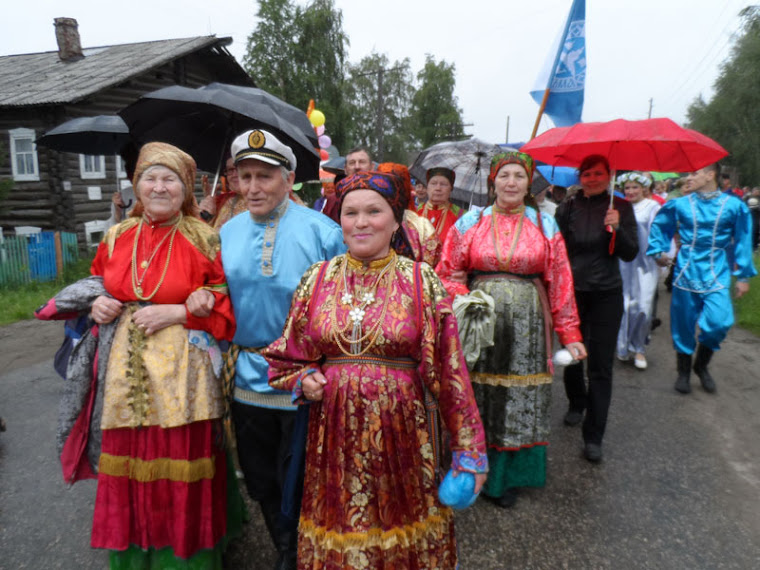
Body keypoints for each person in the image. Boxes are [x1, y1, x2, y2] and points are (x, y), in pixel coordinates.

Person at [264, 170, 487, 569]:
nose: (361, 222)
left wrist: (469, 451)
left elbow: (451, 373)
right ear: (340, 220)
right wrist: (303, 379)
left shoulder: (421, 281)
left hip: (403, 439)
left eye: (374, 211)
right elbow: (286, 356)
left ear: (397, 219)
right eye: (350, 213)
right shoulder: (317, 280)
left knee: (399, 537)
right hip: (332, 441)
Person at [83, 142, 238, 566]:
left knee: (180, 464)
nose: (158, 186)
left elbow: (226, 311)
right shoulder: (116, 236)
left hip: (181, 378)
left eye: (169, 178)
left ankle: (185, 561)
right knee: (130, 463)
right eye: (149, 177)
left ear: (186, 189)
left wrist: (180, 311)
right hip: (124, 374)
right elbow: (93, 286)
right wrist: (96, 306)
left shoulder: (204, 238)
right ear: (136, 185)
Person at [219, 129, 345, 569]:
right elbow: (216, 299)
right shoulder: (226, 233)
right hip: (246, 380)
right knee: (261, 478)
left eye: (265, 176)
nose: (253, 187)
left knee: (305, 476)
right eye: (245, 176)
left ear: (288, 179)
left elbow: (344, 308)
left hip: (304, 380)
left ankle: (304, 555)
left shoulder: (324, 233)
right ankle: (285, 551)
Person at [436, 152, 585, 507]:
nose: (511, 182)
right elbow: (446, 271)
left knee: (516, 398)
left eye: (519, 175)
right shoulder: (471, 221)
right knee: (475, 393)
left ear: (528, 183)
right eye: (505, 176)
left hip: (528, 325)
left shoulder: (544, 224)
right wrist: (464, 295)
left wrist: (571, 334)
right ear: (493, 181)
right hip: (478, 322)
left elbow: (560, 279)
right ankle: (470, 466)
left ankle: (507, 477)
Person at [555, 154, 639, 463]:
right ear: (580, 176)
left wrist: (617, 230)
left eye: (598, 173)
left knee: (601, 366)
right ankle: (577, 402)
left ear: (608, 175)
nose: (592, 178)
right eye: (587, 173)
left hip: (607, 293)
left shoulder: (621, 208)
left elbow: (630, 253)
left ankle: (594, 435)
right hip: (572, 294)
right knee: (574, 356)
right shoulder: (568, 208)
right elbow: (557, 249)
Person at [647, 162, 757, 394]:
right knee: (684, 324)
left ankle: (701, 365)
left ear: (710, 175)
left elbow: (744, 238)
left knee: (719, 322)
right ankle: (684, 372)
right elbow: (660, 225)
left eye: (694, 173)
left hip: (717, 271)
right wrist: (657, 251)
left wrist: (744, 276)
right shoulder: (680, 204)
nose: (689, 177)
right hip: (685, 271)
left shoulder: (734, 206)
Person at [615, 172, 661, 370]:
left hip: (645, 264)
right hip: (623, 263)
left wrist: (662, 254)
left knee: (643, 306)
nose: (630, 191)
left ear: (644, 188)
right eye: (627, 188)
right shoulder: (620, 208)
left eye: (635, 187)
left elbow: (659, 233)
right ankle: (623, 346)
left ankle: (640, 347)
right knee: (624, 306)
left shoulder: (653, 207)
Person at [376, 162, 442, 266]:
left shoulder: (422, 227)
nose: (390, 192)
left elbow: (430, 267)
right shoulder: (364, 222)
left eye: (396, 186)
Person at [198, 156, 248, 230]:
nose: (234, 175)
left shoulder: (266, 203)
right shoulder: (221, 201)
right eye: (230, 170)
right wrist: (206, 217)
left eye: (238, 168)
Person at [417, 167, 463, 242]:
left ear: (451, 188)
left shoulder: (460, 216)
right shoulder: (416, 212)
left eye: (444, 184)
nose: (438, 188)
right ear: (427, 187)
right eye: (433, 183)